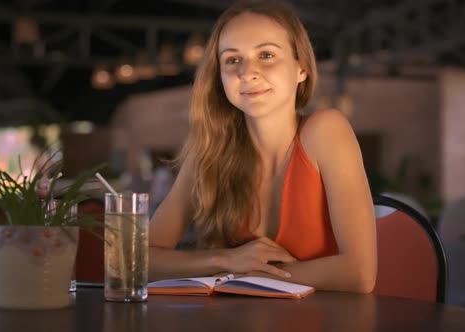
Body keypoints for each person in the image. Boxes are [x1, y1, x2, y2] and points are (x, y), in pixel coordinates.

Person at [148, 0, 377, 293]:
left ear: (301, 68)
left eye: (266, 55)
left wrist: (248, 275)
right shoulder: (210, 151)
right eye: (232, 60)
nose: (247, 72)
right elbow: (140, 260)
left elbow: (359, 274)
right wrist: (227, 259)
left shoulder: (326, 130)